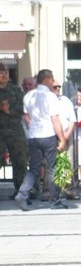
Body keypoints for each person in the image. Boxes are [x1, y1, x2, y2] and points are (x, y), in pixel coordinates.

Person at [14, 69, 68, 211]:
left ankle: (22, 194)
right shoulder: (51, 97)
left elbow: (26, 116)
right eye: (52, 79)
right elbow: (55, 120)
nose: (53, 82)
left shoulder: (28, 96)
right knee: (51, 169)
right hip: (48, 135)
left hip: (33, 136)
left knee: (33, 169)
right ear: (47, 79)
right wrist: (62, 139)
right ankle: (54, 200)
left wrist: (32, 126)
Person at [0, 62, 28, 197]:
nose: (3, 75)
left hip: (14, 130)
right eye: (1, 72)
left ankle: (21, 192)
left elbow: (21, 110)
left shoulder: (16, 91)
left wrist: (8, 110)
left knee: (20, 162)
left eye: (5, 72)